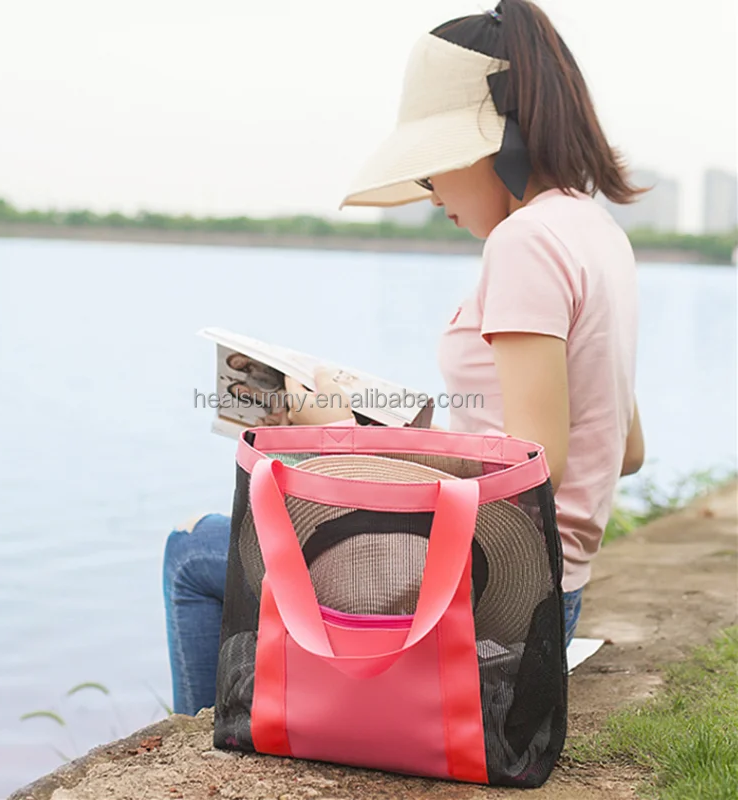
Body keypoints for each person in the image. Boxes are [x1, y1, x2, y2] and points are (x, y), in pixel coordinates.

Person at [162, 0, 645, 717]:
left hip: (490, 597)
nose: (430, 195)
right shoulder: (597, 233)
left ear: (488, 144)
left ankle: (212, 740)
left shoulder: (524, 244)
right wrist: (394, 430)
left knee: (193, 556)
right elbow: (626, 451)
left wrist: (342, 437)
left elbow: (537, 463)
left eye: (431, 170)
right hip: (538, 587)